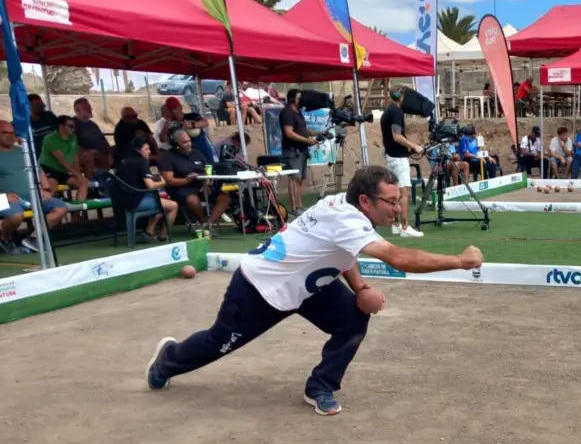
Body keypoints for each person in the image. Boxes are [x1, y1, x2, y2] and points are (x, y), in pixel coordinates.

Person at [144, 166, 484, 416]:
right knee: (219, 343)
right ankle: (167, 361)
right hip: (261, 288)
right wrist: (459, 260)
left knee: (354, 316)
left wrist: (360, 287)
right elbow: (398, 257)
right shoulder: (346, 218)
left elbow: (343, 251)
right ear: (365, 200)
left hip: (308, 286)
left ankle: (320, 386)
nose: (397, 209)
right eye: (391, 202)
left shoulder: (345, 205)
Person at [0, 119, 69, 255]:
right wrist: (4, 195)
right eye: (5, 133)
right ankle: (4, 239)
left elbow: (39, 171)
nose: (10, 136)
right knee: (16, 215)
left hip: (31, 195)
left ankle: (33, 238)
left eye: (12, 133)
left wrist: (46, 189)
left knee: (61, 208)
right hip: (2, 198)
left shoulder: (22, 151)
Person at [158, 129, 231, 231]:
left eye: (189, 141)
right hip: (182, 189)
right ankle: (202, 221)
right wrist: (187, 180)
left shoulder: (197, 153)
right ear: (175, 144)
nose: (188, 144)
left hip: (201, 186)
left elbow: (208, 169)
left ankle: (208, 225)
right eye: (184, 142)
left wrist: (208, 180)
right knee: (193, 200)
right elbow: (169, 180)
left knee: (224, 197)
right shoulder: (167, 157)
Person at [379, 86, 424, 238]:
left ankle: (396, 225)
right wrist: (415, 146)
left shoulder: (388, 111)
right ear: (402, 97)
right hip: (397, 157)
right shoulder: (396, 112)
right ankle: (405, 227)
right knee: (404, 192)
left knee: (397, 192)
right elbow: (397, 136)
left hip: (392, 155)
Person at [118, 136, 179, 242]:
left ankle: (149, 232)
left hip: (122, 201)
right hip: (137, 202)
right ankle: (163, 236)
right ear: (138, 150)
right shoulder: (142, 162)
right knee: (173, 206)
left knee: (161, 203)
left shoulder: (124, 162)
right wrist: (164, 182)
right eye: (146, 149)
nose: (149, 151)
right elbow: (150, 185)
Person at [280, 88, 318, 215]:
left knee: (300, 180)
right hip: (292, 151)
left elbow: (303, 130)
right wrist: (307, 141)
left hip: (301, 150)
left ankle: (300, 206)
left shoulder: (298, 112)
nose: (301, 100)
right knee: (294, 179)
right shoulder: (287, 112)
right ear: (292, 99)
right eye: (298, 98)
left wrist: (320, 133)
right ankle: (294, 208)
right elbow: (289, 133)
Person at [39, 116, 89, 201]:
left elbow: (75, 157)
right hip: (48, 170)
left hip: (63, 172)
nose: (74, 129)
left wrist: (79, 175)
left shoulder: (73, 138)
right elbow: (62, 161)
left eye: (74, 126)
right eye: (71, 126)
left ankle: (77, 213)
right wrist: (78, 175)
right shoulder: (50, 138)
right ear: (61, 126)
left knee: (83, 185)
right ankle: (45, 211)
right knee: (50, 190)